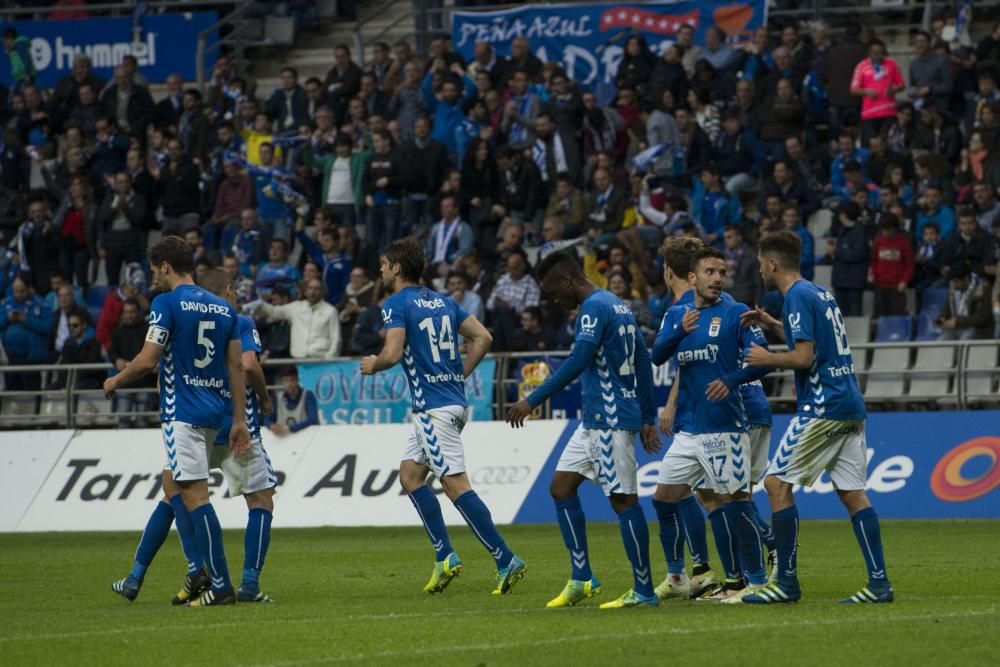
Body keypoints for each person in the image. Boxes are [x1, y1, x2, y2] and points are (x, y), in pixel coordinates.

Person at [360, 237, 526, 596]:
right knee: (410, 476)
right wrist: (457, 374)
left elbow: (391, 353)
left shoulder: (396, 304)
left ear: (397, 268)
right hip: (450, 402)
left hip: (432, 410)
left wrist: (374, 365)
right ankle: (444, 556)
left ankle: (505, 558)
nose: (381, 270)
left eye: (384, 265)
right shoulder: (444, 302)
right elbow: (483, 337)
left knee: (455, 485)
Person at [740, 230, 893, 604]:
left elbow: (804, 358)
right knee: (853, 494)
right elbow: (817, 342)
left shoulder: (795, 297)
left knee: (776, 485)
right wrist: (774, 325)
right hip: (850, 403)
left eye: (761, 264)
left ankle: (786, 583)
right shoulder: (819, 292)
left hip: (822, 406)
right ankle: (879, 584)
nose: (760, 271)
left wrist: (766, 358)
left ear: (773, 264)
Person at [505, 251, 659, 609]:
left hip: (610, 418)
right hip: (594, 420)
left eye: (552, 292)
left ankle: (644, 590)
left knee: (623, 500)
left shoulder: (592, 307)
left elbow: (578, 360)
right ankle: (582, 577)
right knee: (561, 487)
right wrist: (649, 415)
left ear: (567, 282)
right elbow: (643, 361)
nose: (553, 301)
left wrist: (532, 399)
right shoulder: (617, 304)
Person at [102, 236, 250, 607]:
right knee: (176, 488)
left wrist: (116, 380)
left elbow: (149, 358)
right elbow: (236, 366)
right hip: (214, 413)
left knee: (196, 498)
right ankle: (162, 574)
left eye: (154, 270)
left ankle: (218, 582)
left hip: (181, 413)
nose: (153, 277)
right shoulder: (224, 308)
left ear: (165, 266)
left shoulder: (165, 303)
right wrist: (239, 419)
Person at [650, 247, 773, 603]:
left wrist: (732, 380)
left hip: (725, 427)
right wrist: (677, 332)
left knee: (735, 503)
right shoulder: (677, 314)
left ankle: (758, 580)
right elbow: (657, 355)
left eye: (722, 272)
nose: (718, 278)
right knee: (664, 499)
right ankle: (678, 575)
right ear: (692, 278)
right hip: (690, 429)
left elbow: (763, 361)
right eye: (710, 272)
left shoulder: (735, 313)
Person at [248, 278, 341, 358]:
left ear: (322, 291)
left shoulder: (330, 310)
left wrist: (330, 357)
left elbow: (335, 337)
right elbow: (274, 311)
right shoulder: (296, 307)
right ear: (306, 291)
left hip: (321, 358)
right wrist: (258, 302)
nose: (313, 291)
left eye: (317, 289)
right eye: (310, 288)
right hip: (298, 358)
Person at [0, 277, 53, 391]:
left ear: (29, 288)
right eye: (16, 291)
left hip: (31, 356)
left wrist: (27, 320)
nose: (19, 294)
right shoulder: (7, 303)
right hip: (9, 356)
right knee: (11, 390)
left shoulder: (42, 304)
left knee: (31, 390)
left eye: (22, 291)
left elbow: (48, 327)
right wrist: (7, 319)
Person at [870, 213, 913, 317]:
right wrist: (872, 274)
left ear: (894, 229)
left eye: (888, 230)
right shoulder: (878, 241)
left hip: (897, 286)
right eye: (883, 230)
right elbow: (874, 261)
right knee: (880, 315)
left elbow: (909, 265)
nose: (885, 233)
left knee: (896, 316)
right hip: (880, 285)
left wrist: (904, 281)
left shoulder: (903, 243)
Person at [938, 262, 995, 340]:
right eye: (953, 282)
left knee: (965, 339)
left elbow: (982, 318)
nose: (954, 285)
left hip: (975, 329)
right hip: (956, 327)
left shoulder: (984, 289)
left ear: (966, 278)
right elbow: (947, 310)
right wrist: (942, 318)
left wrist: (957, 322)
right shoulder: (953, 288)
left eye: (956, 281)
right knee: (941, 341)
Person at [267, 365, 319, 436]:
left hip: (305, 438)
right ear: (282, 381)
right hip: (283, 440)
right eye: (286, 380)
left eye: (292, 380)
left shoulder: (308, 396)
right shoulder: (278, 397)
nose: (289, 384)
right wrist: (272, 426)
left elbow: (312, 419)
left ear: (297, 380)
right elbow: (267, 419)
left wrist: (290, 428)